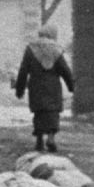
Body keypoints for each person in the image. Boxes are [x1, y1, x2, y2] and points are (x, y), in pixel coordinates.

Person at [14, 24, 74, 153]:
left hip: (36, 86)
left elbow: (23, 70)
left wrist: (20, 89)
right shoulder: (56, 49)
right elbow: (65, 70)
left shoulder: (31, 48)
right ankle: (51, 138)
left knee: (39, 113)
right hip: (52, 86)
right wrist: (71, 86)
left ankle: (39, 140)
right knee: (53, 112)